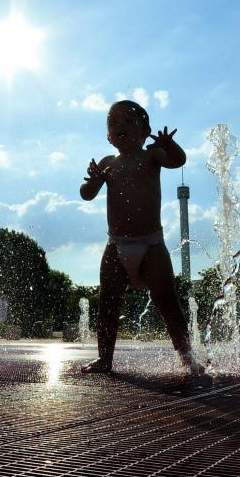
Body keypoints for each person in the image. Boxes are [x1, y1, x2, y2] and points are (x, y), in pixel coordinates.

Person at [79, 100, 202, 376]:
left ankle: (187, 357)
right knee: (108, 302)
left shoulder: (152, 155)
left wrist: (168, 145)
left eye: (129, 121)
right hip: (116, 244)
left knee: (168, 302)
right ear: (108, 136)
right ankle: (104, 359)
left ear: (146, 130)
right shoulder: (107, 164)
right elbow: (86, 194)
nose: (120, 126)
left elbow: (178, 161)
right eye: (114, 123)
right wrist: (94, 180)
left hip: (151, 244)